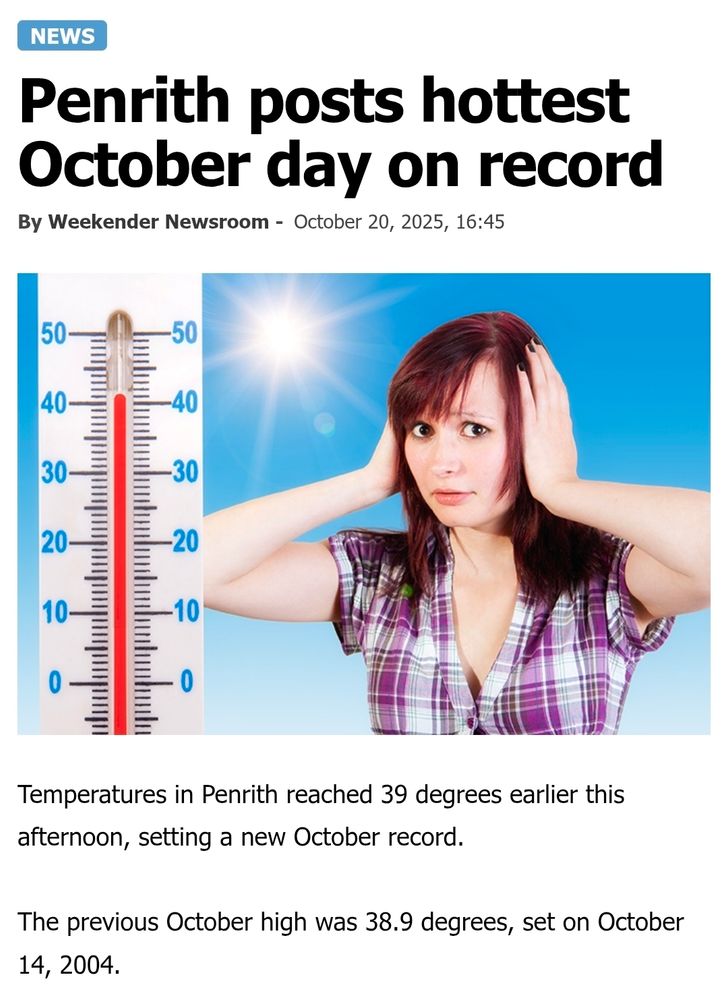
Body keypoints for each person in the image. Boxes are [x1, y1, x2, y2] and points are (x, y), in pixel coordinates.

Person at [204, 311, 709, 735]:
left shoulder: (605, 577)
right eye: (422, 429)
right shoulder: (379, 576)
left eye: (474, 429)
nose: (442, 461)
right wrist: (366, 483)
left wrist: (562, 489)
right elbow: (190, 567)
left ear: (535, 432)